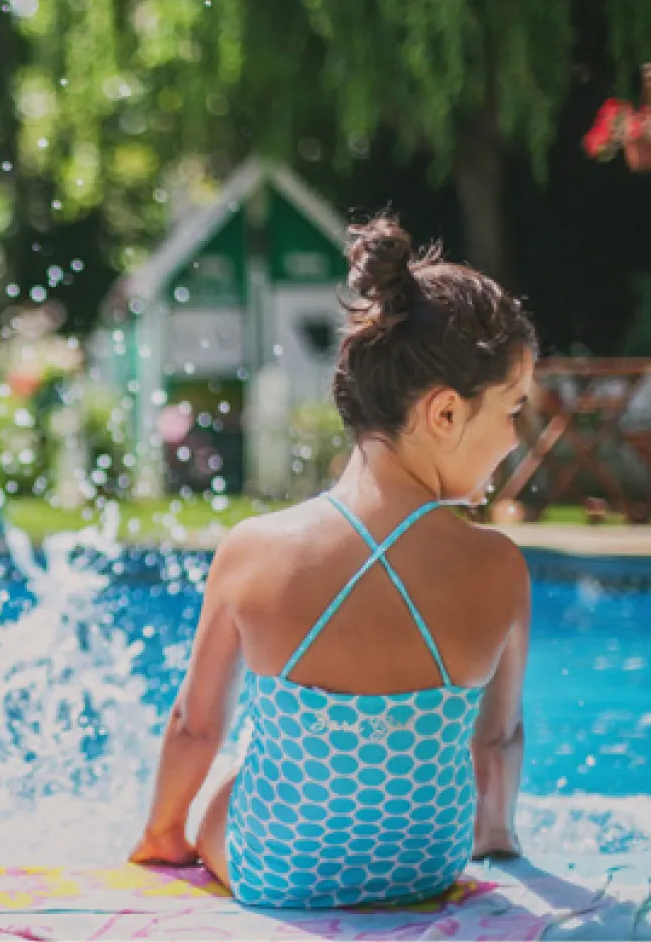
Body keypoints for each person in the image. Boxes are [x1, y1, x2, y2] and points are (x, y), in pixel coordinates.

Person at [131, 216, 536, 908]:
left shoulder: (255, 550)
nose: (514, 437)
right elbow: (495, 742)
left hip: (277, 871)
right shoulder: (499, 567)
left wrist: (164, 839)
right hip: (428, 866)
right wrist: (494, 839)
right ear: (444, 413)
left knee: (229, 778)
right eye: (512, 410)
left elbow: (195, 727)